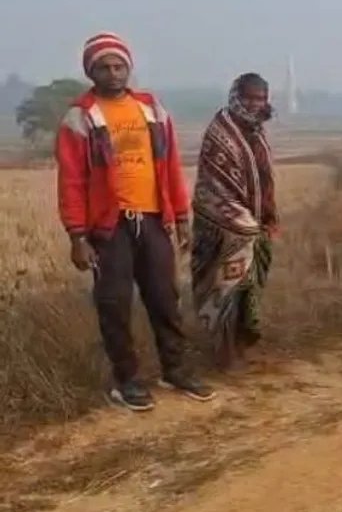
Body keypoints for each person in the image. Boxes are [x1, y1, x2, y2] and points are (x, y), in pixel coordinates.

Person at [56, 32, 211, 411]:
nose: (113, 73)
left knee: (165, 297)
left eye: (119, 66)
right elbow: (71, 181)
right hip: (109, 228)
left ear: (129, 68)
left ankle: (175, 370)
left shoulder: (151, 110)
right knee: (115, 303)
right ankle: (126, 380)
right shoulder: (80, 117)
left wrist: (181, 217)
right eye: (104, 67)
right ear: (90, 72)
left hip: (154, 220)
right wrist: (77, 236)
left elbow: (170, 166)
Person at [191, 73, 279, 370]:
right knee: (226, 286)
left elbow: (264, 179)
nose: (254, 104)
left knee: (248, 285)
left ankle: (242, 344)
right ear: (235, 97)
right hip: (220, 223)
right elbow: (214, 184)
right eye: (249, 98)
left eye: (260, 98)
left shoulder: (257, 132)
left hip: (252, 222)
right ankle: (224, 351)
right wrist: (241, 222)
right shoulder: (220, 131)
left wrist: (267, 215)